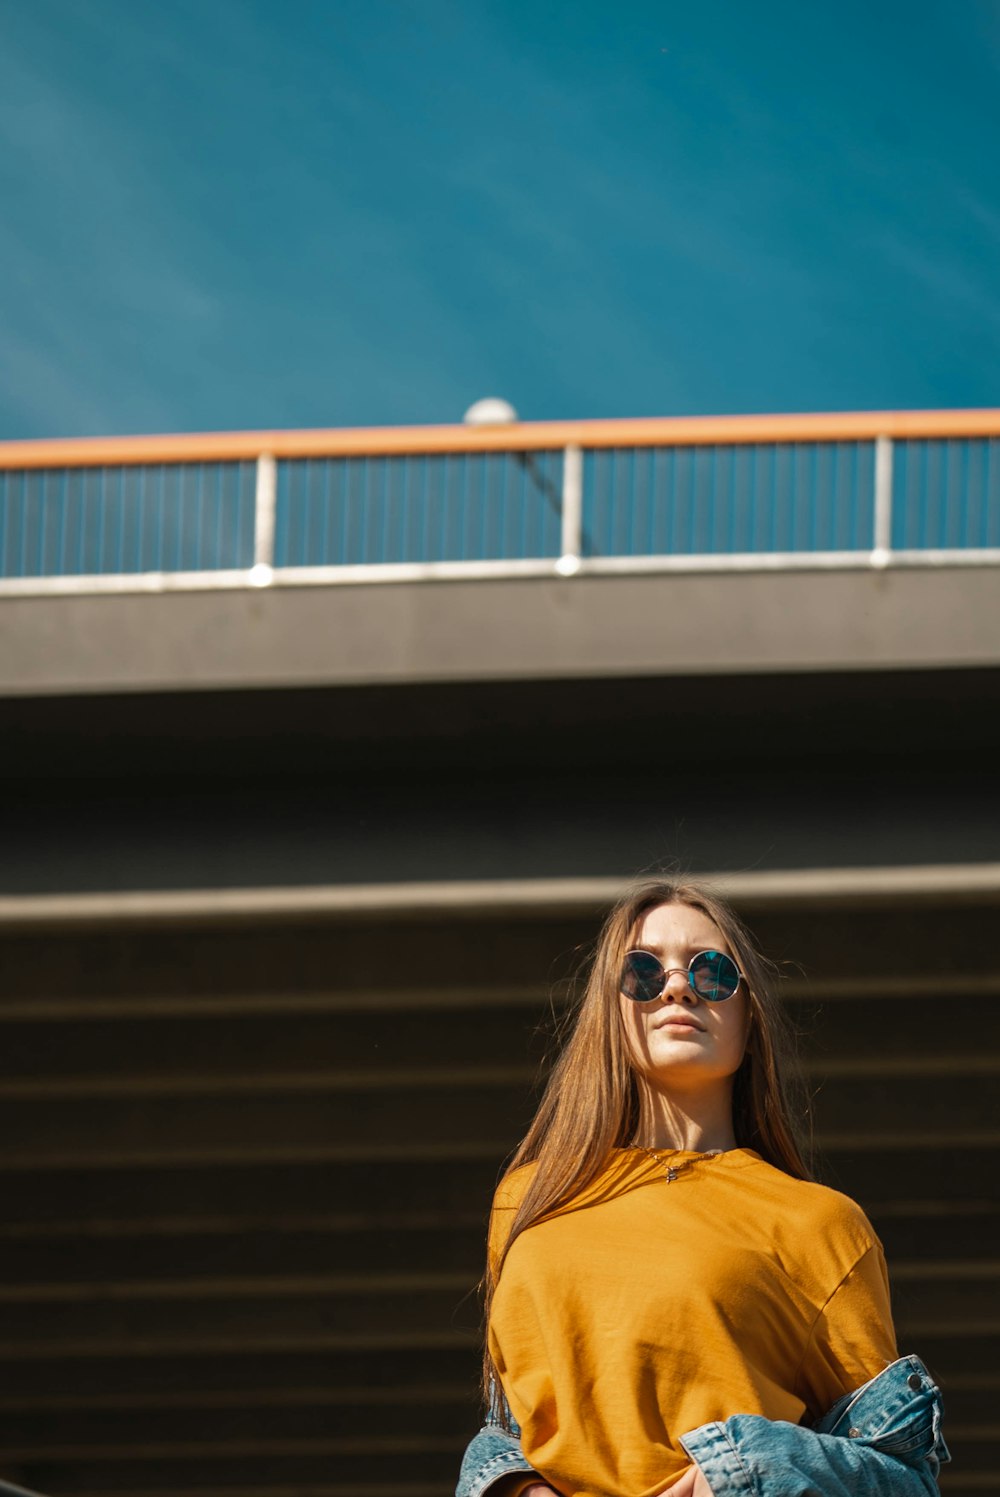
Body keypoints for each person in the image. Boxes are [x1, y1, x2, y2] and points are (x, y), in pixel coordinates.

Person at [456, 880, 948, 1497]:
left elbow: (901, 1479)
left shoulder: (818, 1223)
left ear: (749, 1016)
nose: (677, 986)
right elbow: (514, 1425)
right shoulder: (531, 1197)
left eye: (712, 971)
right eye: (641, 971)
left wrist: (740, 1475)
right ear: (609, 1011)